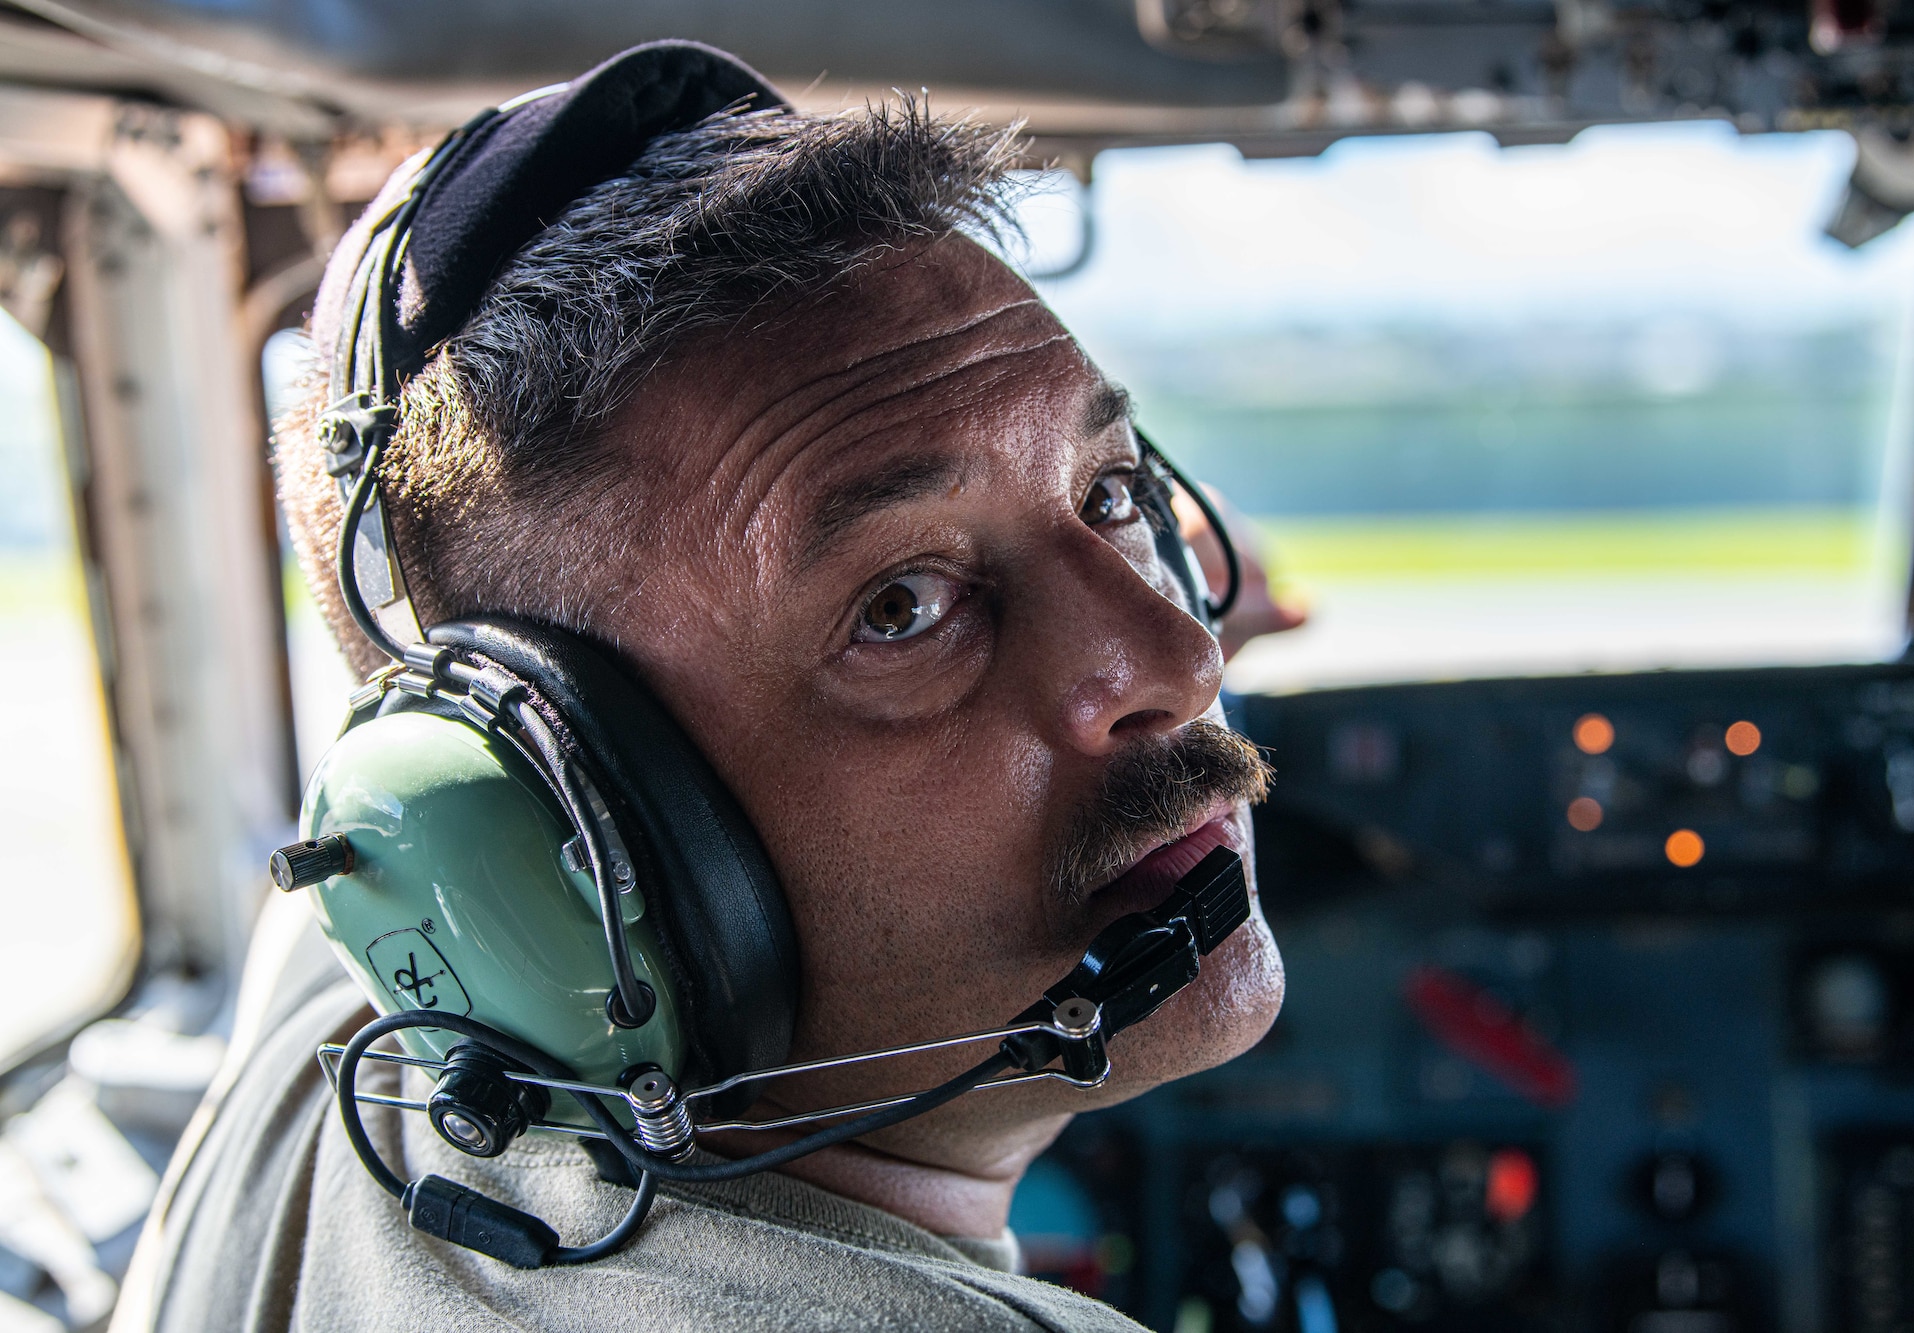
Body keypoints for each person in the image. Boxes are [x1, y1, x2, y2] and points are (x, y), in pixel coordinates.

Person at [113, 40, 1293, 1333]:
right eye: (901, 606)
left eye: (1111, 494)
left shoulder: (336, 1053)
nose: (1185, 663)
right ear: (577, 828)